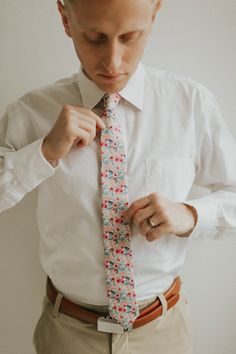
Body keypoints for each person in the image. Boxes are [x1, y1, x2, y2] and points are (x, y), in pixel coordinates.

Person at [0, 0, 236, 353]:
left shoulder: (191, 104)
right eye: (94, 38)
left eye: (131, 37)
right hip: (67, 335)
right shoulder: (30, 112)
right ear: (65, 18)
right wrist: (45, 152)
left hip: (163, 332)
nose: (112, 62)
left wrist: (190, 214)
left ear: (154, 15)